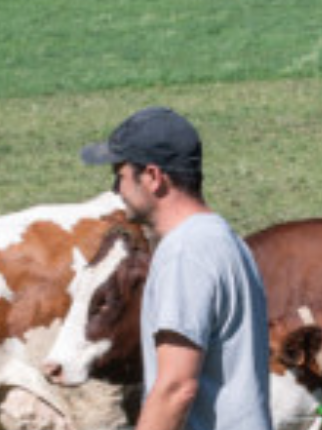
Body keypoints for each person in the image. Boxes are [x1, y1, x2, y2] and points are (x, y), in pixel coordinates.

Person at [79, 106, 271, 430]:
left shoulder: (185, 253)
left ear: (153, 177)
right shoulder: (225, 238)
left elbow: (176, 388)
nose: (115, 190)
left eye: (121, 175)